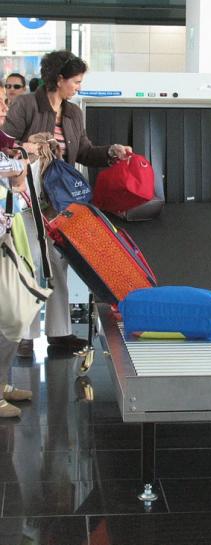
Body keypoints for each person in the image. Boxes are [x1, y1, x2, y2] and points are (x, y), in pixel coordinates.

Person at [3, 50, 132, 357]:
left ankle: (59, 333)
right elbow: (4, 144)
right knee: (32, 261)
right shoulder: (26, 105)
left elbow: (84, 151)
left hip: (59, 198)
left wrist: (112, 152)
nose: (78, 86)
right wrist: (28, 146)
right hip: (28, 194)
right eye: (75, 81)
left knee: (59, 261)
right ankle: (25, 334)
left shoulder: (73, 112)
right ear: (58, 79)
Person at [0, 83, 34, 418]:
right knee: (7, 314)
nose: (3, 108)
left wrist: (19, 161)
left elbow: (18, 179)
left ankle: (1, 383)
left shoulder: (3, 143)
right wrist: (20, 161)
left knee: (12, 314)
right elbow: (14, 171)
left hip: (7, 236)